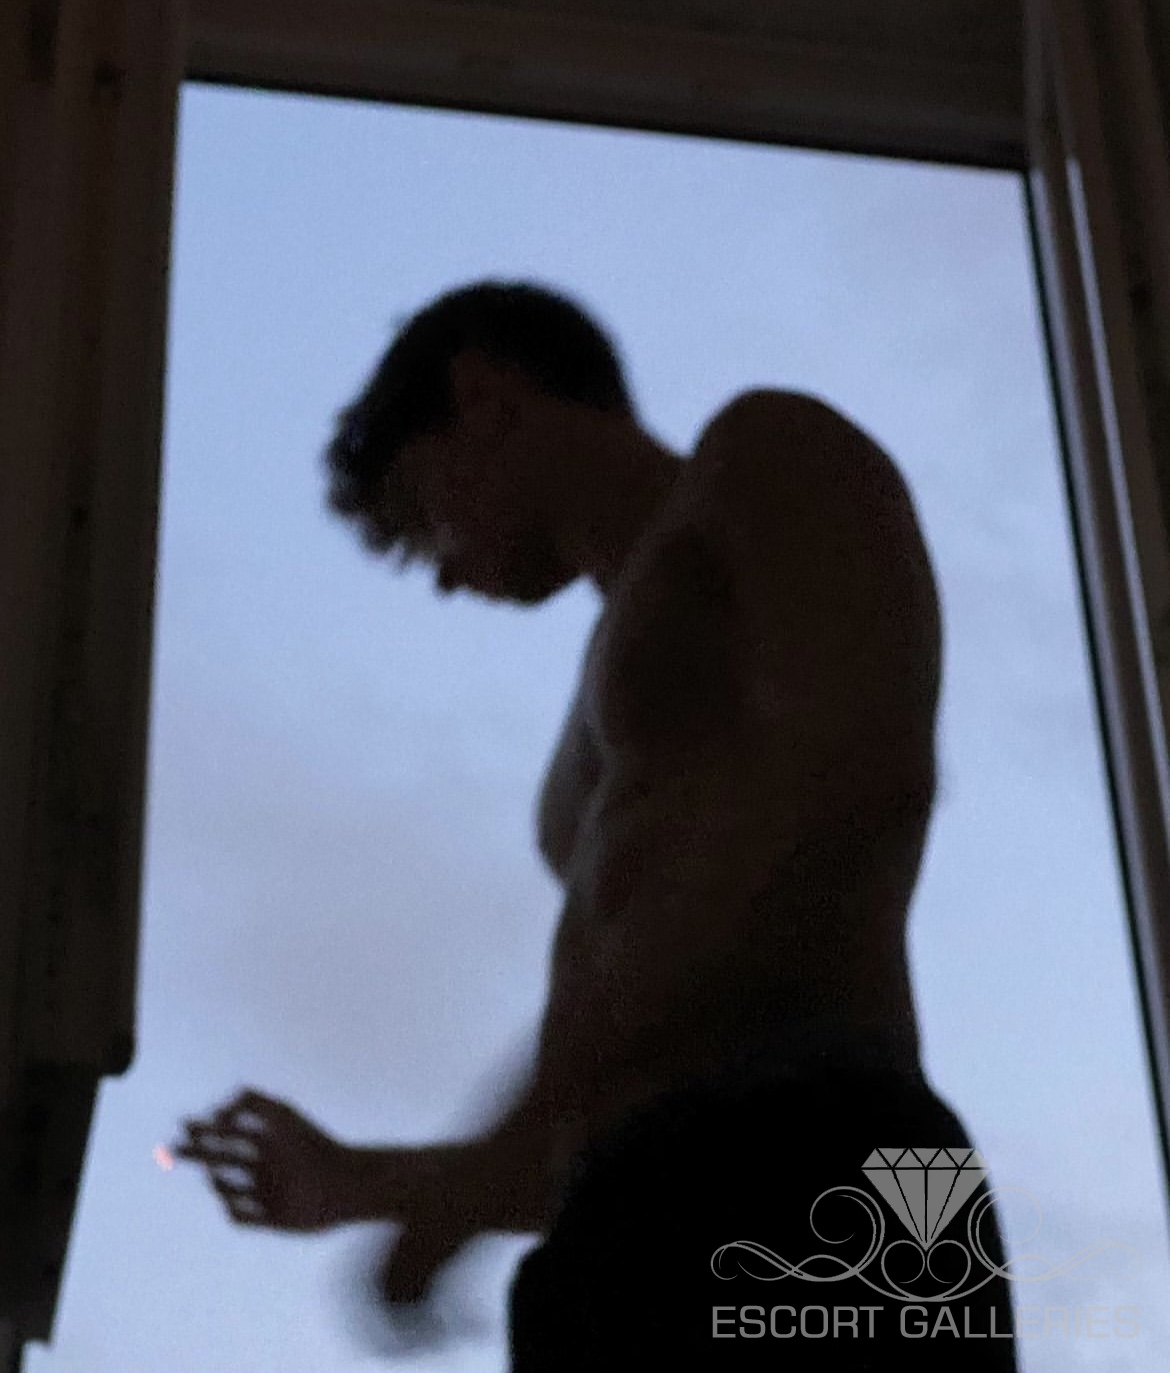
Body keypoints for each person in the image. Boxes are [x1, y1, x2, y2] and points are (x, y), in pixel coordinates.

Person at [176, 280, 1017, 1369]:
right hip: (628, 1217)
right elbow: (627, 1085)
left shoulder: (762, 453)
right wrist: (367, 1182)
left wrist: (489, 1163)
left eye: (419, 518)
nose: (441, 573)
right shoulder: (583, 772)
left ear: (482, 395)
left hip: (834, 1155)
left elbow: (858, 778)